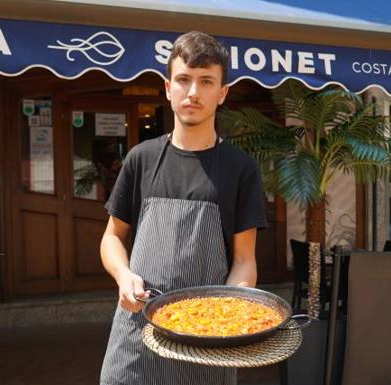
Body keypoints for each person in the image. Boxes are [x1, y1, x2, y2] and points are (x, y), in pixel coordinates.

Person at [99, 31, 268, 385]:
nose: (193, 92)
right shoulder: (141, 159)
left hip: (207, 345)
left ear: (222, 93)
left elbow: (244, 260)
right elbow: (112, 237)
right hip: (137, 336)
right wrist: (123, 276)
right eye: (184, 80)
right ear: (167, 87)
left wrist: (228, 311)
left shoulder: (240, 169)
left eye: (206, 82)